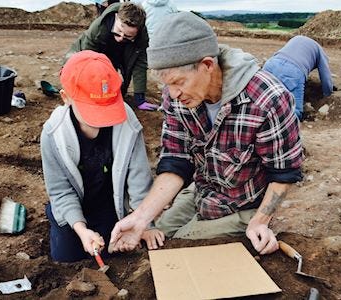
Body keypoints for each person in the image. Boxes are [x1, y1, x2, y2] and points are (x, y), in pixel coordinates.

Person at [109, 12, 303, 255]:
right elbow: (176, 161)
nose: (173, 94)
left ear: (208, 65)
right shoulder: (176, 98)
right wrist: (139, 218)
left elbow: (284, 173)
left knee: (178, 244)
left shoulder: (268, 100)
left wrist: (260, 220)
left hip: (244, 205)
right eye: (167, 85)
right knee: (157, 233)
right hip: (202, 191)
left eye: (179, 82)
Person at [41, 50, 164, 262]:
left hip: (109, 204)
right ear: (66, 98)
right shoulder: (54, 134)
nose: (102, 120)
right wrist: (81, 230)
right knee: (66, 260)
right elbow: (60, 191)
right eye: (93, 111)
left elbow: (138, 178)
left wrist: (144, 224)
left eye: (107, 108)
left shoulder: (127, 122)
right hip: (72, 207)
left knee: (114, 252)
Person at [64, 2, 159, 111]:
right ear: (116, 18)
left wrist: (139, 97)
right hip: (93, 52)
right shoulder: (98, 28)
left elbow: (139, 64)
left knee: (117, 90)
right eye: (118, 32)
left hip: (120, 53)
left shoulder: (142, 38)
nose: (120, 38)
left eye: (127, 36)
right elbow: (87, 59)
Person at [262, 35, 334, 121]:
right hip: (293, 71)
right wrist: (328, 93)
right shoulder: (319, 50)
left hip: (271, 64)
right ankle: (287, 129)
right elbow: (325, 76)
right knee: (295, 112)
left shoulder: (297, 38)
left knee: (264, 100)